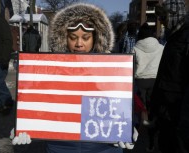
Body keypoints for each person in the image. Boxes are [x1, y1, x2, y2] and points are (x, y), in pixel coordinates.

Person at [11, 3, 138, 153]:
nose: (79, 44)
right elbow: (36, 104)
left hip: (104, 147)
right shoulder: (48, 69)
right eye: (73, 37)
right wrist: (24, 125)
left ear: (95, 38)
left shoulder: (113, 70)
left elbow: (122, 106)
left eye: (85, 37)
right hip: (60, 147)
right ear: (64, 38)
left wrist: (128, 127)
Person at [150, 0, 189, 152]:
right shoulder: (173, 37)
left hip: (178, 113)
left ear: (174, 15)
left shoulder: (186, 37)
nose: (161, 21)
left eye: (163, 17)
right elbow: (164, 74)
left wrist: (185, 119)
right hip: (166, 110)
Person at [133, 22, 164, 152]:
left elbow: (132, 65)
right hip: (155, 80)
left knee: (140, 108)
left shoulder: (135, 47)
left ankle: (136, 135)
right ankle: (151, 141)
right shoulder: (161, 47)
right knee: (152, 109)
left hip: (140, 80)